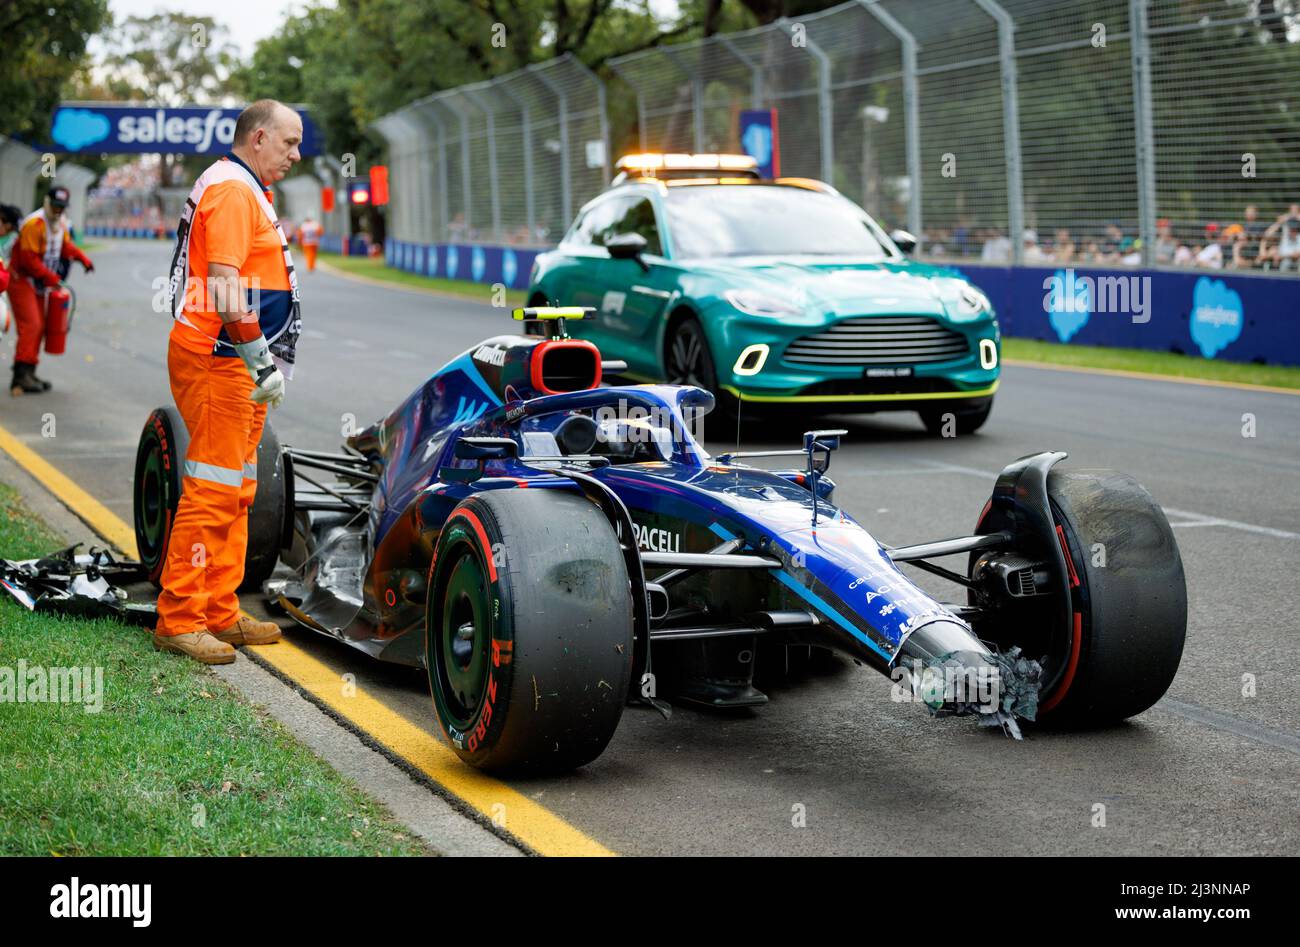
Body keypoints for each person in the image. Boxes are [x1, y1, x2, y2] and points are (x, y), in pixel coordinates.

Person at [154, 99, 305, 665]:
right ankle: (180, 617)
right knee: (213, 491)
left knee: (237, 490)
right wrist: (260, 360)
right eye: (289, 143)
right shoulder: (235, 190)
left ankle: (218, 609)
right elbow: (222, 285)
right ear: (259, 137)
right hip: (222, 362)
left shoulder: (242, 185)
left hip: (234, 364)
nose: (295, 154)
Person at [5, 187, 94, 396]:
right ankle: (20, 375)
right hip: (21, 280)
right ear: (47, 202)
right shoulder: (34, 224)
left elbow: (65, 247)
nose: (57, 211)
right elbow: (28, 259)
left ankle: (30, 371)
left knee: (41, 325)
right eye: (54, 206)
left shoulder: (60, 225)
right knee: (32, 325)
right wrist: (51, 277)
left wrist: (83, 259)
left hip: (37, 283)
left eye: (61, 208)